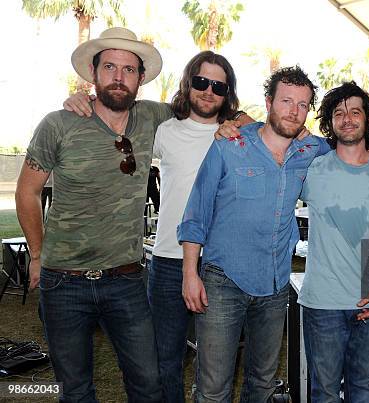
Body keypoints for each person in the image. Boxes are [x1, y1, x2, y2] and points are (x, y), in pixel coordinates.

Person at [63, 50, 252, 403]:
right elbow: (113, 118)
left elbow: (279, 131)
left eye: (218, 85)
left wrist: (243, 119)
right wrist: (83, 100)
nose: (208, 91)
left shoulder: (237, 135)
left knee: (217, 365)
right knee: (165, 359)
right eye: (200, 82)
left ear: (228, 92)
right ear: (188, 82)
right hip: (168, 262)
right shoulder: (164, 130)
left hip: (220, 263)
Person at [15, 27, 173, 401]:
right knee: (75, 389)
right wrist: (36, 255)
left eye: (129, 70)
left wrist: (241, 118)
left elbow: (206, 109)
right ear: (93, 72)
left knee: (148, 384)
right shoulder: (59, 123)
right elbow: (27, 191)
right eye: (110, 67)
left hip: (126, 280)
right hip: (62, 282)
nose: (119, 77)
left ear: (141, 78)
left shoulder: (157, 118)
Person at [178, 66, 332, 402]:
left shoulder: (311, 151)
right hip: (223, 282)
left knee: (262, 382)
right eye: (286, 101)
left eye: (303, 105)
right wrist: (190, 273)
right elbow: (196, 212)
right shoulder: (229, 144)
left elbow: (353, 151)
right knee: (213, 386)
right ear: (268, 102)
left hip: (276, 285)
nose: (294, 110)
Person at [298, 81, 369, 402]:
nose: (347, 118)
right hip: (321, 303)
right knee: (324, 391)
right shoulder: (312, 170)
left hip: (368, 301)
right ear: (329, 122)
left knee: (365, 388)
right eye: (339, 113)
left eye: (356, 111)